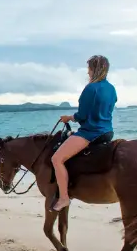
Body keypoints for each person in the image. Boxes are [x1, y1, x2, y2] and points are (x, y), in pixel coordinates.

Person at [50, 55, 117, 212]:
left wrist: (69, 118)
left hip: (90, 133)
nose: (88, 72)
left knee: (57, 159)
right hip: (108, 132)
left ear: (94, 69)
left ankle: (64, 198)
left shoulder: (90, 88)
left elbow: (82, 116)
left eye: (89, 69)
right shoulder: (111, 89)